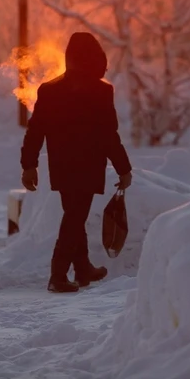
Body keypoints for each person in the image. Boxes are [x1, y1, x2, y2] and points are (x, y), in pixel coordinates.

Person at [20, 32, 133, 293]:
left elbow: (35, 131)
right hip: (88, 166)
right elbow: (108, 135)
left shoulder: (49, 90)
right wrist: (124, 168)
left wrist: (29, 165)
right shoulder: (102, 91)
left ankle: (83, 268)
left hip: (61, 166)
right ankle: (57, 274)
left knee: (74, 214)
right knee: (74, 217)